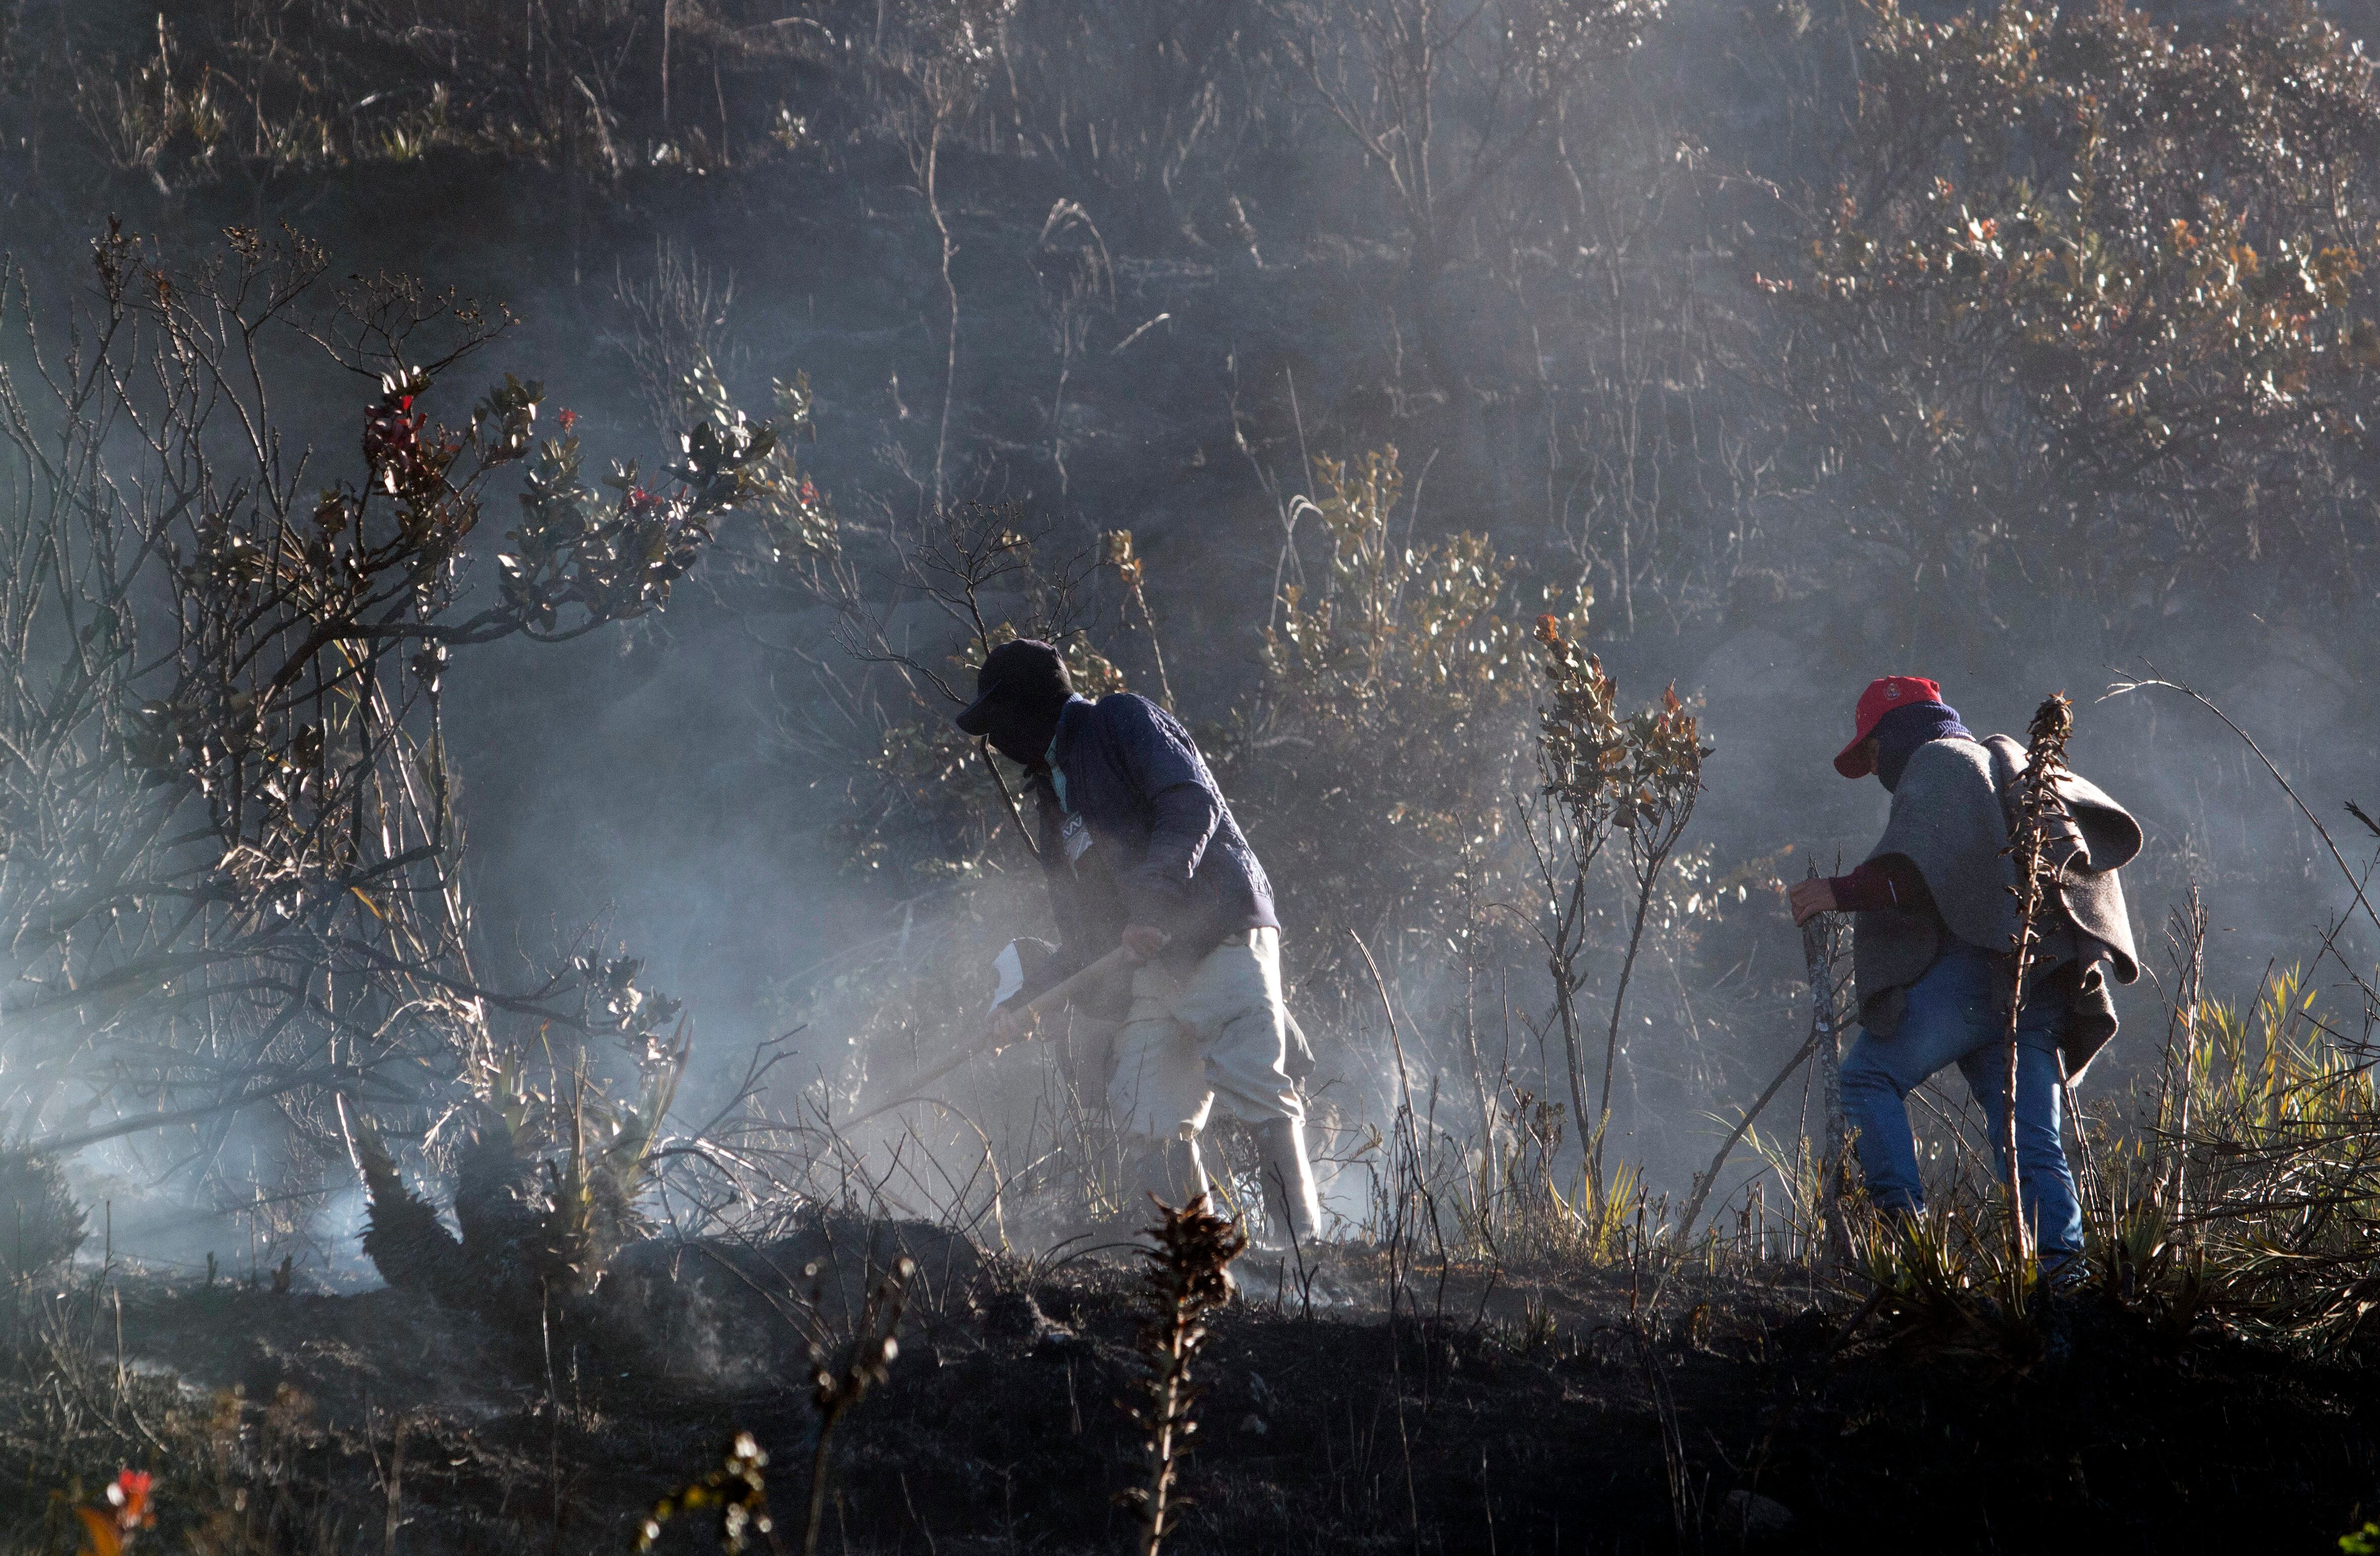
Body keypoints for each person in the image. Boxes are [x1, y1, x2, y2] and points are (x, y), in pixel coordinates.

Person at [954, 638, 1326, 1245]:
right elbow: (1083, 939)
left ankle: (1304, 1260)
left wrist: (1152, 904)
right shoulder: (1052, 805)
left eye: (998, 721)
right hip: (1152, 963)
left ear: (1028, 705)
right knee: (1148, 1114)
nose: (995, 741)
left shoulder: (1119, 719)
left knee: (1253, 1081)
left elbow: (1190, 803)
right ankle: (1199, 1270)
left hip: (1217, 931)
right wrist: (1025, 1003)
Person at [1787, 676, 2140, 1271]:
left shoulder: (1939, 762)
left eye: (1872, 751)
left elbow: (1918, 872)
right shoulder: (2001, 768)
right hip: (2038, 986)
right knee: (2030, 1142)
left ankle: (1906, 1249)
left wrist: (1835, 891)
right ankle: (2063, 1278)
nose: (1874, 768)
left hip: (1982, 977)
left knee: (1866, 1080)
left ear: (1895, 733)